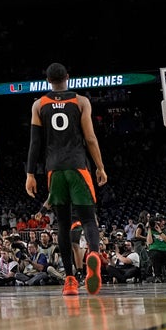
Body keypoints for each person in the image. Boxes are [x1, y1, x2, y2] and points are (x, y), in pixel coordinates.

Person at [24, 62, 108, 296]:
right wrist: (100, 166)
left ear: (48, 81)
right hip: (78, 165)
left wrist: (30, 174)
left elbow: (35, 143)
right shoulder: (81, 101)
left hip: (54, 169)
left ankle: (70, 279)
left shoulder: (38, 105)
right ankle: (92, 254)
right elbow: (90, 138)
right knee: (88, 220)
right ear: (67, 77)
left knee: (62, 224)